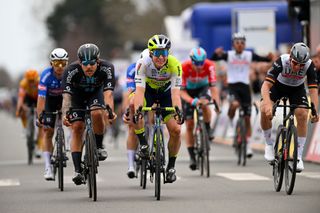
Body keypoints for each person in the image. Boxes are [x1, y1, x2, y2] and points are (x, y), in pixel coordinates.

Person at [211, 32, 273, 157]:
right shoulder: (229, 55)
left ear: (244, 45)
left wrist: (269, 57)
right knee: (234, 105)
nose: (240, 45)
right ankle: (231, 126)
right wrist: (216, 53)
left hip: (245, 87)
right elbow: (214, 59)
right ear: (233, 44)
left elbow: (263, 59)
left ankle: (248, 145)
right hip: (233, 86)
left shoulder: (248, 55)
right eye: (237, 43)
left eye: (242, 43)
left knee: (247, 118)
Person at [61, 43, 116, 185]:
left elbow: (108, 93)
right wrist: (65, 113)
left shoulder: (107, 68)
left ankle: (98, 146)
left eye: (92, 63)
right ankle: (78, 170)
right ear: (80, 62)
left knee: (97, 113)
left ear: (98, 61)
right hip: (77, 97)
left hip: (95, 94)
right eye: (85, 64)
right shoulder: (70, 70)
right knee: (78, 127)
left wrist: (110, 111)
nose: (89, 67)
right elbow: (66, 97)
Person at [260, 42, 319, 172]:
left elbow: (313, 90)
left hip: (296, 90)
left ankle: (298, 156)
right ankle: (269, 144)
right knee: (264, 109)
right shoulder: (282, 61)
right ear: (290, 58)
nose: (297, 67)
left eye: (301, 65)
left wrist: (314, 109)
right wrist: (268, 104)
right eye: (295, 63)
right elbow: (265, 86)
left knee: (303, 114)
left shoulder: (309, 65)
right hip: (278, 87)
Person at [133, 34, 184, 183]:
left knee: (176, 130)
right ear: (150, 53)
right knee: (135, 111)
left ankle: (171, 167)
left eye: (164, 53)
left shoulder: (175, 64)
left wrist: (177, 111)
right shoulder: (143, 64)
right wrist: (138, 110)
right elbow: (139, 91)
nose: (161, 57)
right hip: (147, 91)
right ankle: (143, 143)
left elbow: (175, 94)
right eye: (157, 53)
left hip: (166, 94)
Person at [180, 47, 220, 170]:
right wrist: (192, 101)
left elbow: (213, 88)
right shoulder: (183, 67)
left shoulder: (209, 65)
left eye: (201, 62)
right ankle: (192, 157)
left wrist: (216, 103)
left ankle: (207, 129)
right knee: (190, 124)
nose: (199, 66)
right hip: (188, 92)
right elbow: (181, 92)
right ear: (191, 60)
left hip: (202, 88)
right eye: (196, 63)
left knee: (205, 103)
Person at [36, 48, 69, 180]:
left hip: (65, 100)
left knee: (73, 121)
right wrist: (40, 116)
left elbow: (72, 96)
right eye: (57, 63)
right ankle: (48, 167)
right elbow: (41, 98)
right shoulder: (45, 75)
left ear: (67, 63)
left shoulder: (69, 74)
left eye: (63, 63)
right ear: (51, 64)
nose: (60, 67)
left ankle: (68, 140)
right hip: (49, 101)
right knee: (48, 131)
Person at [16, 69, 43, 158]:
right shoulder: (23, 83)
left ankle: (39, 148)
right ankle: (25, 128)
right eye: (29, 81)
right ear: (26, 79)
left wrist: (40, 109)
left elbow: (43, 97)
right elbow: (20, 98)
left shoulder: (40, 82)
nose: (31, 83)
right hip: (28, 98)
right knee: (21, 110)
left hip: (38, 98)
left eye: (33, 81)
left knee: (41, 123)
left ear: (36, 79)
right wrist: (19, 109)